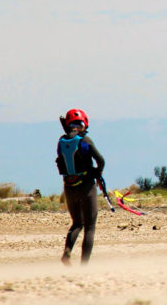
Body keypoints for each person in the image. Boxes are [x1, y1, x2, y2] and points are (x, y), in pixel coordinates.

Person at [56, 108, 105, 266]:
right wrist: (97, 173)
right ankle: (84, 265)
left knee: (77, 223)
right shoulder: (86, 140)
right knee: (90, 226)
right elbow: (101, 161)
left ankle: (67, 253)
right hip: (86, 186)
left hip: (69, 187)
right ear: (83, 123)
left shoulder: (61, 141)